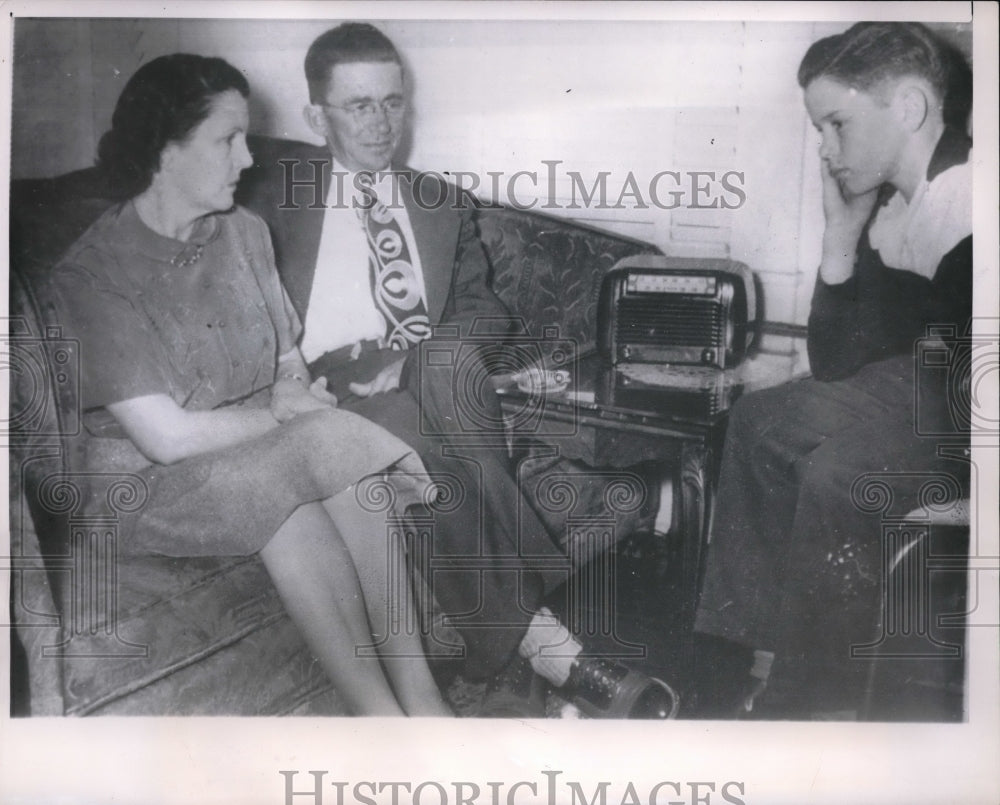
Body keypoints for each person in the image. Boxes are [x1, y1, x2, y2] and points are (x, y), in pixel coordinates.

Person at [238, 22, 677, 718]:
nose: (382, 124)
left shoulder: (441, 202)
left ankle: (516, 643)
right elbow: (229, 307)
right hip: (326, 388)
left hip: (423, 370)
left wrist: (411, 353)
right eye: (359, 106)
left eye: (392, 101)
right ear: (315, 116)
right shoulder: (268, 197)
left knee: (445, 360)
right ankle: (542, 640)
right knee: (412, 424)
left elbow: (486, 311)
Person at [48, 53, 454, 717]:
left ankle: (419, 700)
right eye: (227, 140)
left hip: (247, 443)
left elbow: (288, 355)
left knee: (338, 475)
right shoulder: (91, 276)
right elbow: (168, 437)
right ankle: (386, 719)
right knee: (291, 476)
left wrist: (292, 387)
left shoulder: (245, 232)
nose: (246, 159)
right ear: (165, 149)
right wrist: (292, 418)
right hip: (148, 475)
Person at [693, 22, 972, 717]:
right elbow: (840, 361)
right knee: (754, 421)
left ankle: (807, 699)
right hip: (930, 384)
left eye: (838, 124)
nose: (825, 147)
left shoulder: (971, 197)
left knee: (840, 470)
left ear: (908, 109)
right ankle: (731, 669)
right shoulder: (891, 203)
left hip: (973, 411)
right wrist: (840, 237)